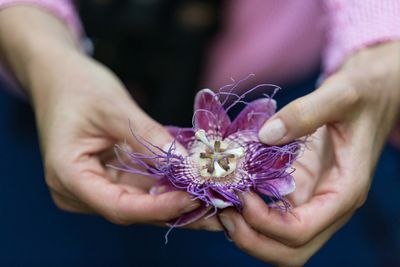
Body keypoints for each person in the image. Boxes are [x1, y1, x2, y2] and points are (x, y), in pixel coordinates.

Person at [0, 1, 399, 266]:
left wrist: (380, 49)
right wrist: (33, 41)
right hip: (49, 100)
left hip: (302, 93)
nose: (215, 160)